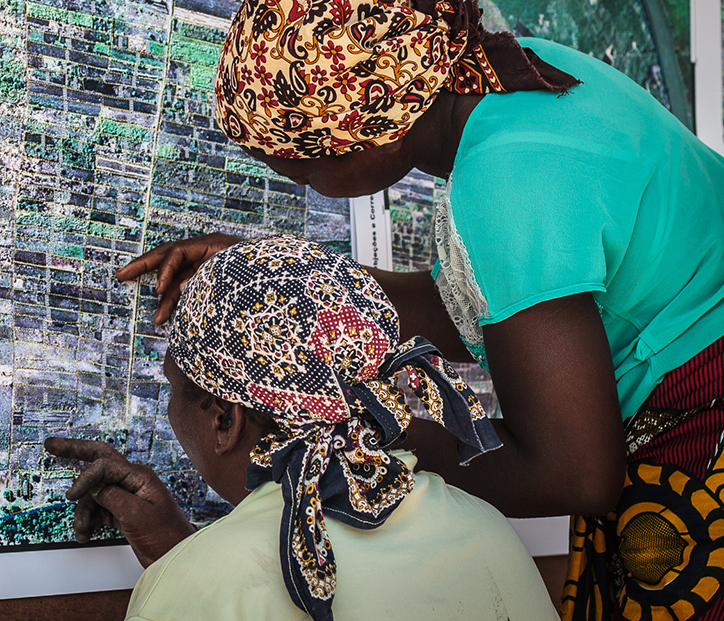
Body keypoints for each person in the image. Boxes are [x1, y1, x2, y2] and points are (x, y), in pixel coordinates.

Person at [110, 0, 724, 618]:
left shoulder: (507, 183)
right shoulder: (508, 78)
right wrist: (274, 284)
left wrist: (363, 439)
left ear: (368, 137)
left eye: (295, 167)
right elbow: (485, 304)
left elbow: (576, 473)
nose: (293, 180)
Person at [48, 236, 556, 620]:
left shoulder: (193, 591)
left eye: (175, 388)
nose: (170, 408)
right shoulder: (487, 531)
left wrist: (184, 574)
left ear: (225, 419)